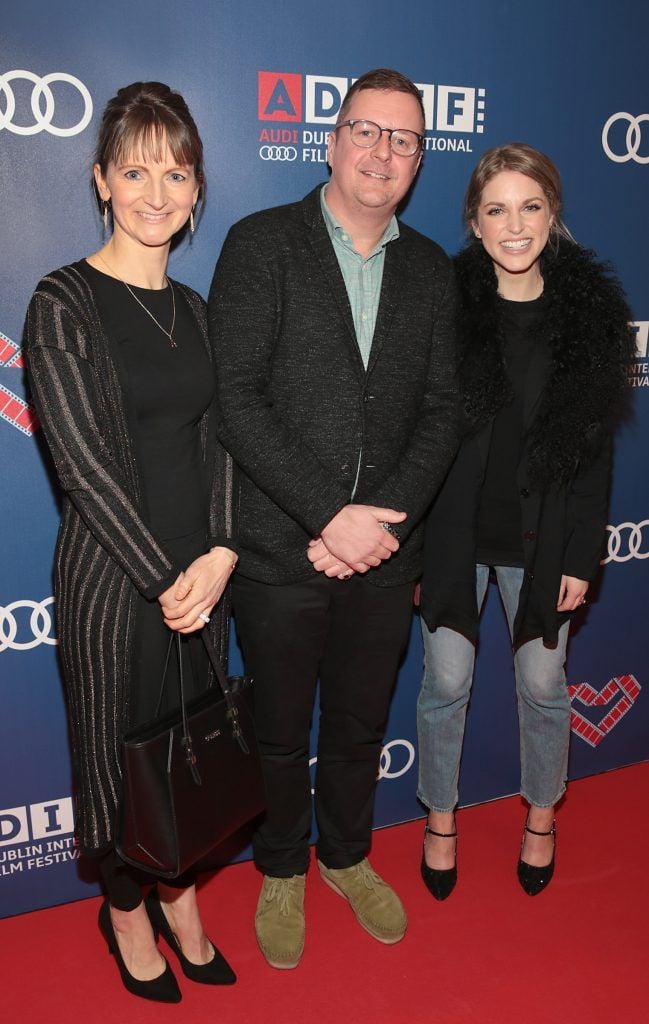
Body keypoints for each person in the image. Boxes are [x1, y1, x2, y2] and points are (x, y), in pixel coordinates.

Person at [208, 68, 459, 969]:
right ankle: (280, 867)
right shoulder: (260, 243)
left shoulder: (431, 270)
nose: (383, 152)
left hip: (386, 558)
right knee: (277, 728)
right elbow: (236, 400)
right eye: (367, 130)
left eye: (404, 139)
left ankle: (347, 855)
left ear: (420, 158)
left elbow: (442, 410)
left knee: (358, 725)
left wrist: (376, 529)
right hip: (280, 552)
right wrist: (327, 515)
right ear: (331, 138)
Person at [24, 82, 239, 1002]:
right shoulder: (62, 301)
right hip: (119, 583)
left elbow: (222, 437)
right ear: (102, 179)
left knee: (187, 754)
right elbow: (79, 464)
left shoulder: (195, 312)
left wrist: (221, 553)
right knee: (119, 761)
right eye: (137, 170)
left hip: (203, 573)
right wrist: (166, 578)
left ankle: (181, 895)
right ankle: (123, 911)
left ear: (197, 188)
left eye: (177, 172)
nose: (159, 192)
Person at [417, 142, 634, 900]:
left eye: (530, 207)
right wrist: (410, 547)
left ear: (552, 214)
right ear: (474, 223)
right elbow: (414, 438)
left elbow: (593, 454)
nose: (514, 226)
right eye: (496, 209)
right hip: (452, 533)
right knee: (444, 682)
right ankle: (439, 818)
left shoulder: (587, 319)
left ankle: (540, 815)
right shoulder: (440, 305)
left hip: (543, 542)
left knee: (543, 687)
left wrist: (583, 555)